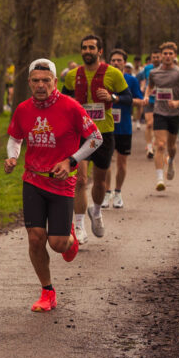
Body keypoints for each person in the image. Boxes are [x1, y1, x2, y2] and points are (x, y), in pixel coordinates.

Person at [4, 59, 100, 311]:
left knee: (58, 244)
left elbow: (95, 138)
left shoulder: (71, 107)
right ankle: (47, 291)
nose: (41, 85)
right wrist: (13, 156)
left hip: (62, 183)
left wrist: (71, 161)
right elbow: (15, 137)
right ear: (29, 83)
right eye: (35, 80)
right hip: (33, 180)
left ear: (55, 82)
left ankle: (69, 239)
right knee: (35, 239)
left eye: (46, 80)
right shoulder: (23, 109)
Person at [61, 34, 131, 244]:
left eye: (92, 48)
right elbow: (62, 99)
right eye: (84, 48)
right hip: (79, 133)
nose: (87, 51)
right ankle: (80, 226)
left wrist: (112, 97)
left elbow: (127, 98)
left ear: (100, 51)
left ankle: (97, 211)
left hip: (103, 133)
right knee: (80, 180)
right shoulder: (73, 75)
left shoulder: (114, 74)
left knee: (100, 182)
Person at [146, 42, 179, 191]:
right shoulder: (154, 73)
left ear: (174, 56)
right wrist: (147, 96)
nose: (167, 56)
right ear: (161, 56)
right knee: (160, 145)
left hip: (175, 113)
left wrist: (178, 102)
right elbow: (150, 86)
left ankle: (171, 160)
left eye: (170, 54)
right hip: (159, 112)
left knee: (171, 146)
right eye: (165, 54)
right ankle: (160, 179)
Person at [102, 49, 144, 209]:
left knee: (121, 162)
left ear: (124, 62)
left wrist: (121, 100)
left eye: (119, 60)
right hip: (106, 126)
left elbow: (139, 100)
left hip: (124, 126)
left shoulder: (131, 80)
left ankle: (118, 192)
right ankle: (107, 192)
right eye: (113, 60)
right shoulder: (104, 79)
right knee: (105, 162)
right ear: (109, 62)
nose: (116, 63)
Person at [141, 49, 162, 158]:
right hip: (149, 99)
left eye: (157, 57)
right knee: (149, 123)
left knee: (156, 124)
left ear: (161, 58)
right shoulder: (147, 68)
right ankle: (149, 148)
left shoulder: (164, 68)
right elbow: (145, 80)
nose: (156, 59)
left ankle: (154, 140)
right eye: (154, 57)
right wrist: (143, 88)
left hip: (161, 100)